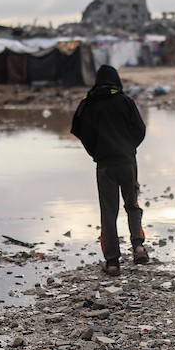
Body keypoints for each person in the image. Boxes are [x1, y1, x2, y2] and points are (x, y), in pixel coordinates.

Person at [70, 65, 148, 275]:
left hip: (104, 166)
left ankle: (113, 262)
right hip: (127, 162)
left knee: (109, 212)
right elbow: (140, 130)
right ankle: (138, 247)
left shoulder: (89, 104)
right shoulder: (125, 101)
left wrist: (95, 151)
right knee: (132, 205)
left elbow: (78, 129)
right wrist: (129, 148)